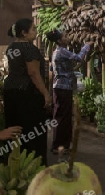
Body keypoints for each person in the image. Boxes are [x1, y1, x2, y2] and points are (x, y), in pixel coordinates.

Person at [3, 19, 52, 166]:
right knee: (33, 133)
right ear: (24, 33)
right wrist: (45, 94)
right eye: (33, 29)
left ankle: (14, 166)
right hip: (27, 95)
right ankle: (35, 166)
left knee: (15, 130)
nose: (36, 32)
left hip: (10, 92)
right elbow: (33, 74)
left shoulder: (11, 48)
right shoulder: (30, 48)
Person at [46, 30, 91, 154]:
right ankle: (59, 146)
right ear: (60, 40)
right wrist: (87, 45)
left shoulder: (55, 52)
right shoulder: (62, 51)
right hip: (63, 88)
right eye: (65, 36)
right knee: (63, 117)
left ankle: (60, 145)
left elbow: (52, 68)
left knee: (61, 116)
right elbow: (78, 58)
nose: (68, 37)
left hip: (59, 87)